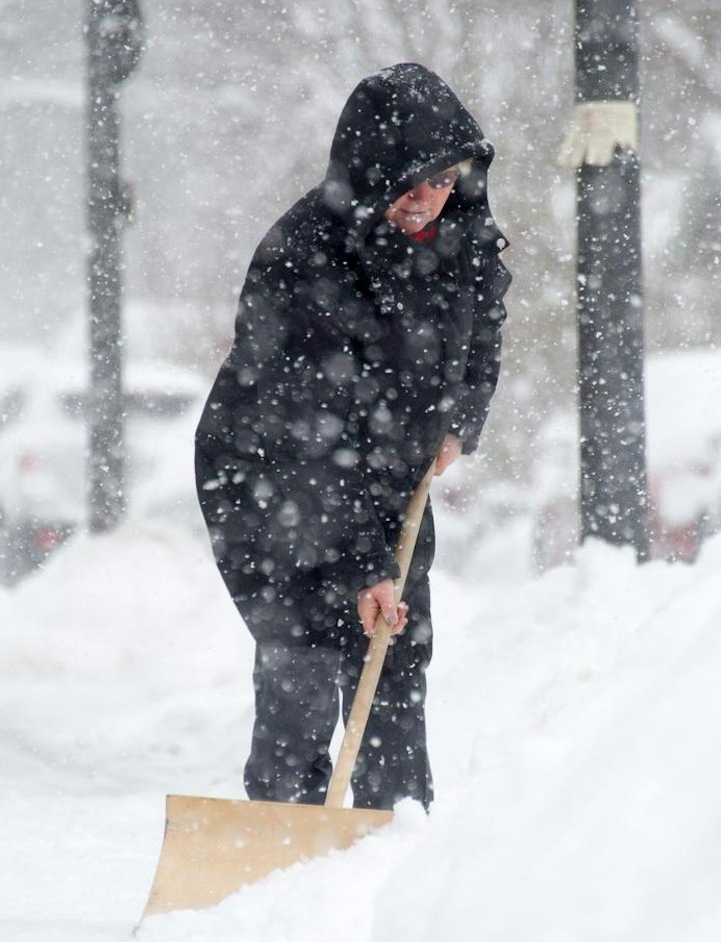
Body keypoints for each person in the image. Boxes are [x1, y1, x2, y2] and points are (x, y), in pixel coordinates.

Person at [193, 63, 509, 811]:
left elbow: (482, 332)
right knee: (304, 644)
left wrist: (462, 417)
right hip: (269, 472)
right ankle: (278, 832)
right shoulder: (307, 255)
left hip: (384, 464)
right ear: (371, 175)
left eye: (440, 180)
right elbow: (314, 429)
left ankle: (387, 829)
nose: (425, 200)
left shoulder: (459, 235)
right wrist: (364, 562)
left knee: (396, 643)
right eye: (408, 185)